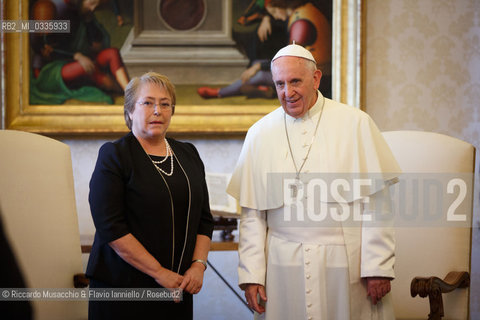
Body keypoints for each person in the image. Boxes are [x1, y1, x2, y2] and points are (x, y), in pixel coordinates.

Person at [227, 43, 401, 319]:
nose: (288, 92)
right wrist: (251, 274)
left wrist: (378, 266)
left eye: (295, 81)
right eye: (280, 84)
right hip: (281, 264)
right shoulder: (260, 133)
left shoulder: (355, 123)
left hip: (345, 263)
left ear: (316, 78)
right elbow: (252, 215)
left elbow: (377, 203)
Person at [86, 72, 214, 319]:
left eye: (165, 104)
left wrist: (198, 266)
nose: (158, 110)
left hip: (178, 287)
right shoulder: (114, 155)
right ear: (130, 111)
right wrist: (158, 272)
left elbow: (204, 220)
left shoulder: (188, 154)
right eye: (148, 103)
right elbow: (110, 226)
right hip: (123, 290)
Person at [197, 0, 332, 100]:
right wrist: (266, 17)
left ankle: (220, 93)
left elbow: (291, 60)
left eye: (273, 12)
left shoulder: (300, 22)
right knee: (259, 63)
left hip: (315, 78)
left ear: (282, 5)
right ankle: (266, 90)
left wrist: (258, 67)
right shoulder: (301, 12)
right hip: (303, 71)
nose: (275, 17)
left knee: (260, 74)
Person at [30, 0, 130, 105]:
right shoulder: (47, 7)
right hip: (49, 71)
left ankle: (129, 92)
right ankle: (116, 88)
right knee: (90, 70)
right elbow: (44, 48)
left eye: (96, 6)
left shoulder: (79, 11)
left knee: (112, 52)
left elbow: (97, 46)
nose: (93, 9)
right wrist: (76, 56)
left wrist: (89, 22)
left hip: (75, 62)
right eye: (92, 3)